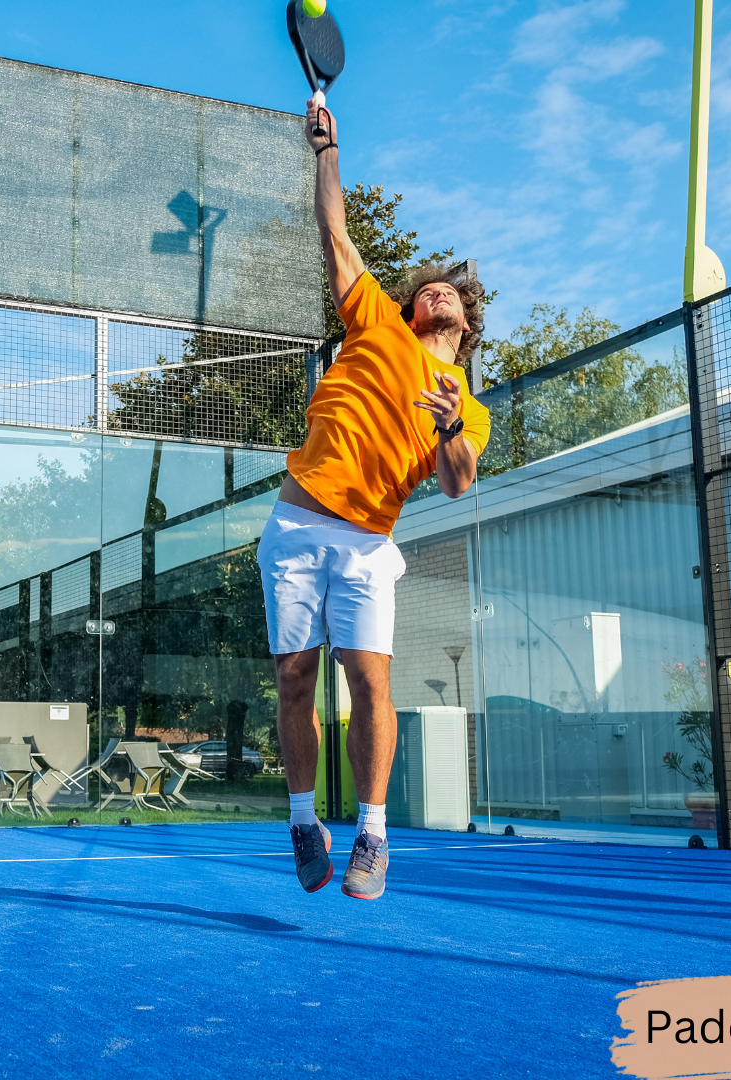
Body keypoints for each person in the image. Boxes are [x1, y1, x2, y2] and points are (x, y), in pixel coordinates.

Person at [259, 97, 491, 900]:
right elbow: (335, 236)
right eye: (428, 288)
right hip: (294, 522)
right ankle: (299, 820)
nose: (438, 293)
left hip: (367, 545)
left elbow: (459, 480)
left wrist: (451, 427)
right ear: (409, 306)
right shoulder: (375, 328)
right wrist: (327, 147)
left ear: (466, 324)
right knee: (293, 678)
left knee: (369, 682)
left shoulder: (468, 401)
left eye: (450, 295)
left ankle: (372, 835)